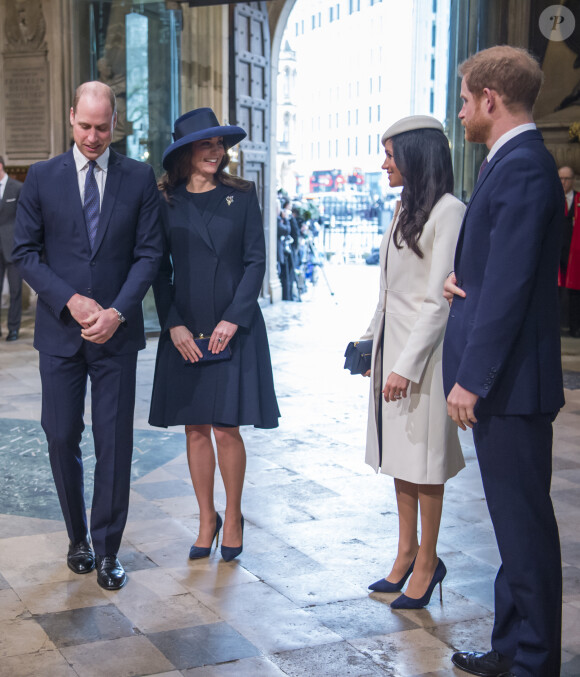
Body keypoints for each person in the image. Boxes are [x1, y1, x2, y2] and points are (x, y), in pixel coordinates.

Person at [442, 46, 564, 677]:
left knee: (524, 528)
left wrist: (470, 379)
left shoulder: (521, 165)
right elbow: (501, 268)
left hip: (511, 385)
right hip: (511, 382)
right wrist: (464, 279)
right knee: (513, 525)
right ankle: (513, 647)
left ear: (489, 98)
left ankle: (535, 662)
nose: (461, 112)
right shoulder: (512, 161)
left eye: (465, 99)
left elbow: (516, 285)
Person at [12, 81, 162, 590]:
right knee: (60, 436)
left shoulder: (139, 178)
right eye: (84, 126)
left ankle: (109, 548)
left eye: (102, 127)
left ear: (114, 122)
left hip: (115, 337)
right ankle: (78, 536)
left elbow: (149, 254)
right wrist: (70, 300)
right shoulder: (41, 177)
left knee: (115, 442)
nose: (93, 137)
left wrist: (118, 311)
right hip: (60, 333)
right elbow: (25, 253)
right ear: (70, 116)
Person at [149, 107, 280, 562]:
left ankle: (235, 514)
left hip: (233, 327)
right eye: (207, 144)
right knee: (195, 429)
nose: (217, 151)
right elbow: (157, 270)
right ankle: (207, 518)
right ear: (185, 152)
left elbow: (255, 261)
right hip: (186, 327)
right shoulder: (164, 201)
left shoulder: (241, 195)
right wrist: (174, 324)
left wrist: (234, 318)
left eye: (219, 144)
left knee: (227, 427)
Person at [360, 115, 465, 609]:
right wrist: (368, 344)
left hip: (424, 358)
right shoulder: (406, 209)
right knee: (400, 459)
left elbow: (437, 301)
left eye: (390, 153)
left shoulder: (449, 211)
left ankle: (428, 561)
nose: (384, 163)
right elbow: (388, 291)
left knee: (426, 464)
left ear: (416, 155)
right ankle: (404, 553)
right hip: (391, 351)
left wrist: (406, 364)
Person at [0, 155, 23, 341]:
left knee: (16, 290)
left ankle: (13, 328)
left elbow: (24, 219)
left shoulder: (17, 188)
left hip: (13, 247)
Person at [559, 165, 580, 336]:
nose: (564, 182)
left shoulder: (578, 200)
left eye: (567, 179)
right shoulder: (553, 198)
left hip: (575, 252)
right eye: (561, 178)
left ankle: (575, 327)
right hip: (557, 251)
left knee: (575, 291)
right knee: (555, 290)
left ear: (573, 180)